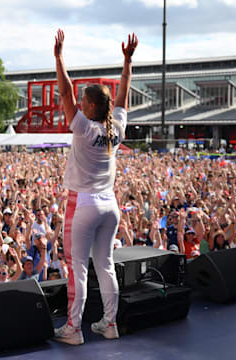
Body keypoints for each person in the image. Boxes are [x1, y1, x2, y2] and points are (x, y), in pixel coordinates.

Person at [52, 29, 137, 345]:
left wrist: (59, 56)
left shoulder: (85, 129)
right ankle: (109, 323)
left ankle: (74, 329)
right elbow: (124, 93)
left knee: (78, 269)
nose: (78, 103)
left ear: (89, 107)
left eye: (82, 101)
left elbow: (64, 93)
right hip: (109, 205)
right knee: (105, 265)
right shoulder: (116, 127)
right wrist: (127, 62)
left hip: (83, 204)